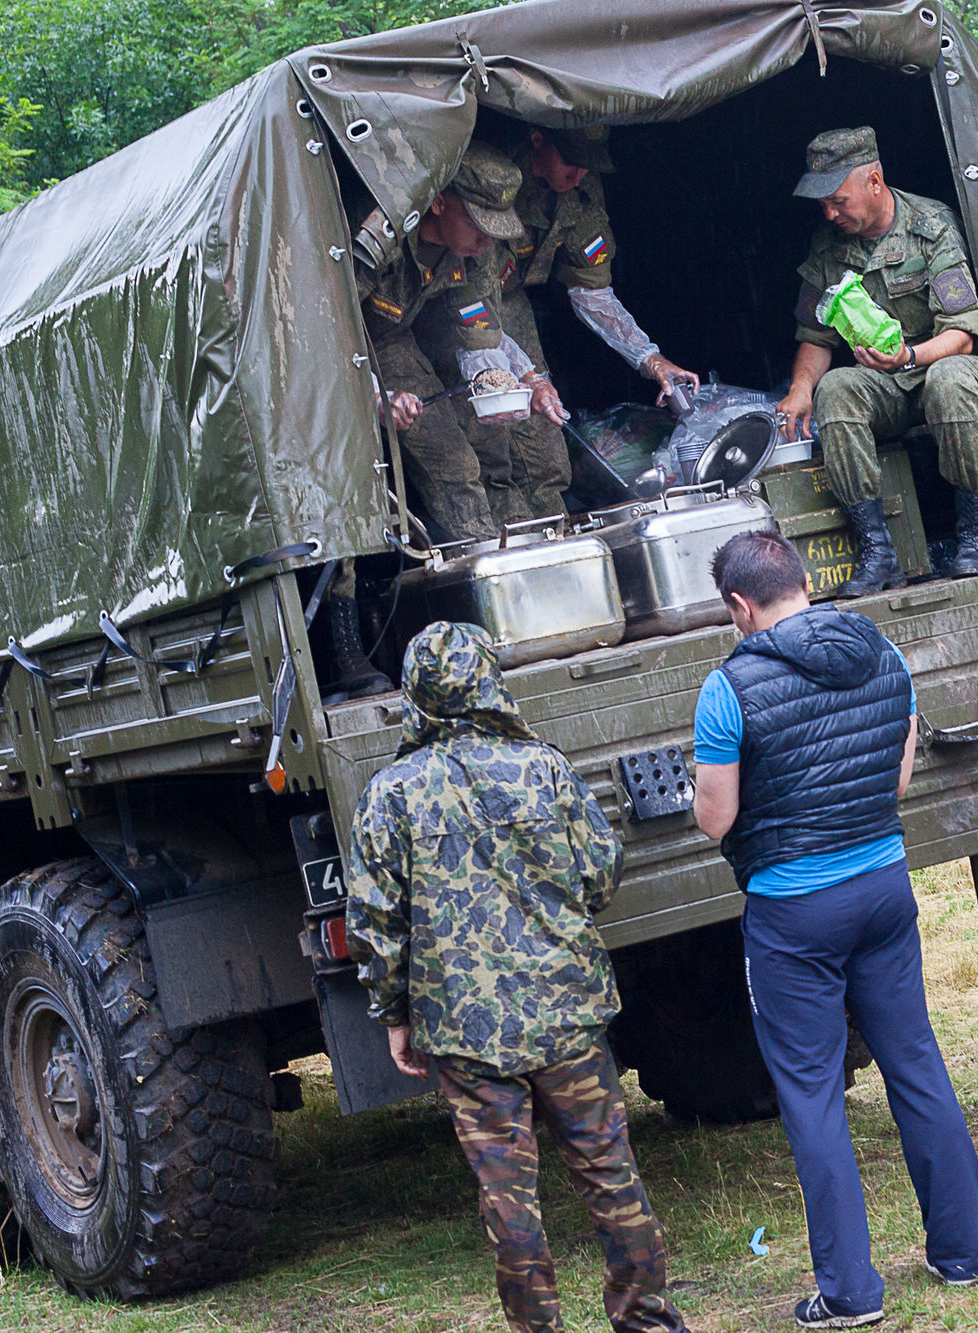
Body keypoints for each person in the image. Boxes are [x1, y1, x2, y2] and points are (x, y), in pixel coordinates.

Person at [345, 621, 691, 1333]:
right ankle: (648, 1320)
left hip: (465, 1032)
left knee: (509, 1201)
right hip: (568, 1014)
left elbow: (376, 923)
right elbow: (600, 872)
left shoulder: (390, 795)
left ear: (414, 695)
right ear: (488, 680)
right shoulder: (543, 767)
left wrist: (394, 1016)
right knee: (609, 1172)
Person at [690, 530, 978, 1329]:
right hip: (884, 885)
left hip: (792, 912)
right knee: (914, 1058)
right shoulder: (884, 652)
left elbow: (716, 817)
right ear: (804, 582)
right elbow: (897, 776)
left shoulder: (728, 686)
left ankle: (851, 1292)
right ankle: (960, 1252)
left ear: (739, 605)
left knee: (812, 1094)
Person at [775, 127, 978, 596]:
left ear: (874, 182)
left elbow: (962, 333)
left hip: (940, 364)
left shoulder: (931, 226)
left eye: (839, 201)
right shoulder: (828, 247)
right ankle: (879, 553)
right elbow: (815, 336)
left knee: (951, 380)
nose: (830, 213)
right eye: (823, 204)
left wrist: (908, 355)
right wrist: (800, 390)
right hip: (885, 385)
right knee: (836, 388)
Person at [478, 126, 700, 523]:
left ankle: (554, 534)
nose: (578, 173)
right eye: (571, 160)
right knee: (488, 437)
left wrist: (651, 360)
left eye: (587, 164)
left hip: (508, 299)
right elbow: (466, 302)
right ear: (538, 139)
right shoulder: (490, 177)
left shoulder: (581, 192)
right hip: (462, 306)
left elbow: (592, 293)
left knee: (543, 436)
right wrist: (525, 376)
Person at [359, 142, 564, 545]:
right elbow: (321, 336)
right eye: (477, 225)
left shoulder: (476, 249)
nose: (487, 242)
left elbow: (482, 329)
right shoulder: (379, 240)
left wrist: (529, 379)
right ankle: (486, 557)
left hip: (408, 336)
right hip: (358, 346)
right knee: (453, 463)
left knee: (494, 448)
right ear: (438, 202)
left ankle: (531, 545)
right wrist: (378, 398)